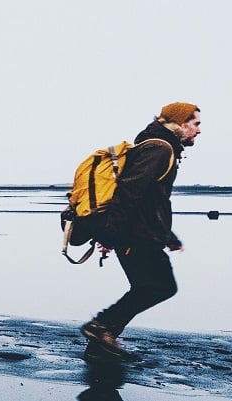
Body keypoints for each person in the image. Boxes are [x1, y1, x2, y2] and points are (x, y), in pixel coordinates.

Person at [81, 101, 202, 361]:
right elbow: (128, 192)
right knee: (160, 286)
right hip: (134, 236)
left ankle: (99, 345)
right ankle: (101, 327)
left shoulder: (159, 146)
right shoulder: (159, 148)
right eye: (195, 124)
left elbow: (152, 199)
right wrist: (110, 236)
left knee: (146, 286)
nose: (199, 130)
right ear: (180, 124)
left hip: (140, 233)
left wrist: (168, 237)